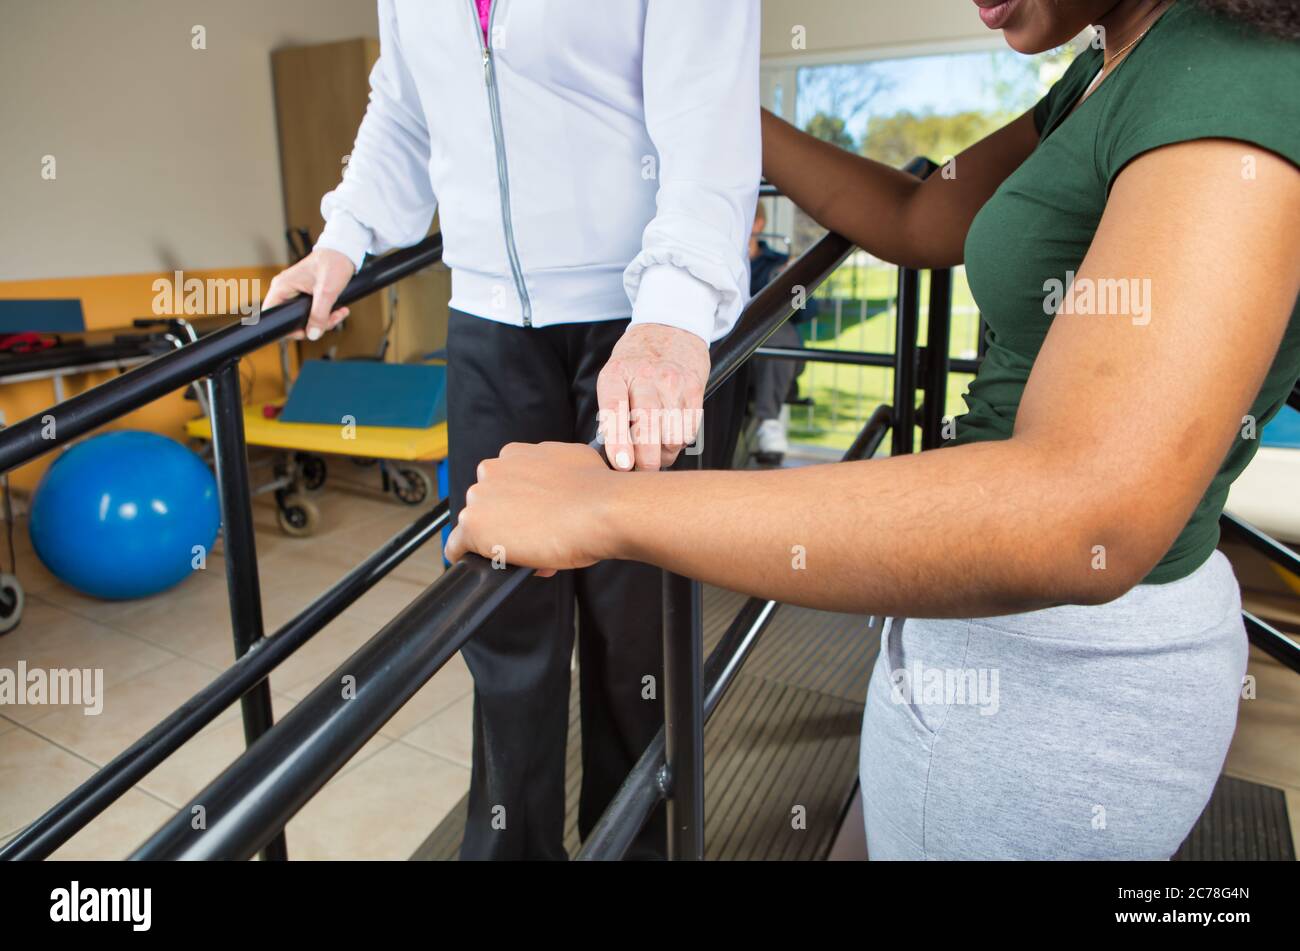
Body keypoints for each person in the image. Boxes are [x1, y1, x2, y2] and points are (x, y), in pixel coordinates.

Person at [447, 0, 1300, 859]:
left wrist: (604, 507)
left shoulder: (1225, 79)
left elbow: (1085, 512)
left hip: (1065, 696)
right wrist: (703, 101)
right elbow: (920, 215)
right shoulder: (1106, 68)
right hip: (1003, 653)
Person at [262, 0, 760, 860]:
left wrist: (676, 308)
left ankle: (638, 845)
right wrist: (342, 240)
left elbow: (707, 105)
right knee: (501, 631)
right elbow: (405, 108)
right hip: (487, 320)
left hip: (636, 315)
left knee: (632, 632)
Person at [746, 202, 802, 465]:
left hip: (766, 346)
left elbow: (806, 310)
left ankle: (768, 422)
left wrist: (787, 281)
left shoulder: (779, 262)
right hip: (733, 346)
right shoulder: (715, 262)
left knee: (778, 335)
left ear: (759, 224)